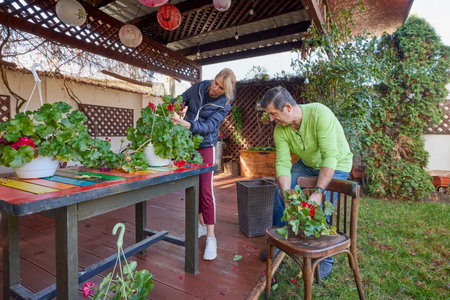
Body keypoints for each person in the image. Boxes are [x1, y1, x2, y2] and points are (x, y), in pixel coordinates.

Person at [260, 86, 352, 278]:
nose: (271, 119)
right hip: (308, 164)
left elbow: (330, 157)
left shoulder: (320, 114)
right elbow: (283, 163)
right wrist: (287, 195)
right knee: (280, 192)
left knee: (322, 207)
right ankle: (280, 242)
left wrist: (318, 191)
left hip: (337, 163)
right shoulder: (281, 129)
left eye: (273, 114)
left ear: (287, 108)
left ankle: (324, 259)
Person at [171, 68, 236, 261]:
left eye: (220, 87)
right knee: (192, 187)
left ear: (226, 91)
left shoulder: (224, 104)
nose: (214, 88)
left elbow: (209, 127)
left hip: (205, 146)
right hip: (186, 144)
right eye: (215, 82)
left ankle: (211, 237)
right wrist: (175, 105)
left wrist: (190, 125)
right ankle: (199, 224)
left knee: (206, 190)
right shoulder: (199, 88)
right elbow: (182, 99)